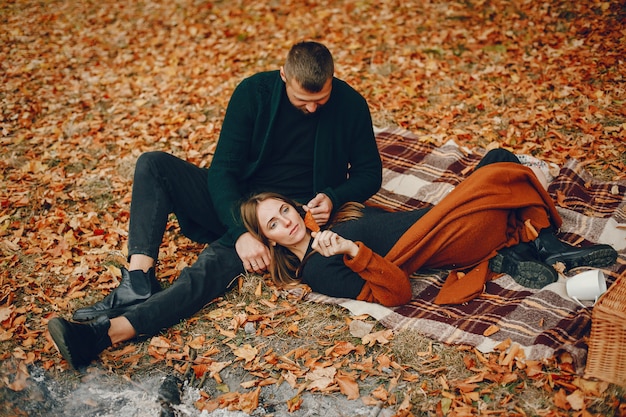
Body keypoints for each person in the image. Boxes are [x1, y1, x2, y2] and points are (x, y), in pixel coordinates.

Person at [47, 41, 383, 369]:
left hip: (285, 220)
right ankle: (138, 280)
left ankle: (101, 336)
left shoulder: (350, 104)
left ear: (332, 80)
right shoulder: (255, 93)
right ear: (284, 76)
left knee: (204, 273)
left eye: (320, 100)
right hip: (240, 202)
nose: (312, 108)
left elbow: (370, 174)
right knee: (153, 164)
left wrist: (334, 196)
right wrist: (240, 230)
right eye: (302, 100)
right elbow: (222, 170)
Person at [240, 151, 618, 306]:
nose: (287, 221)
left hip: (446, 217)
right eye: (273, 223)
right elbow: (396, 293)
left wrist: (336, 213)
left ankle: (525, 250)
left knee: (498, 159)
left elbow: (387, 222)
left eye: (285, 209)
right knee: (502, 175)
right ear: (268, 241)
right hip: (455, 235)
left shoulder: (332, 223)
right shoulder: (320, 266)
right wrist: (351, 251)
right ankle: (537, 244)